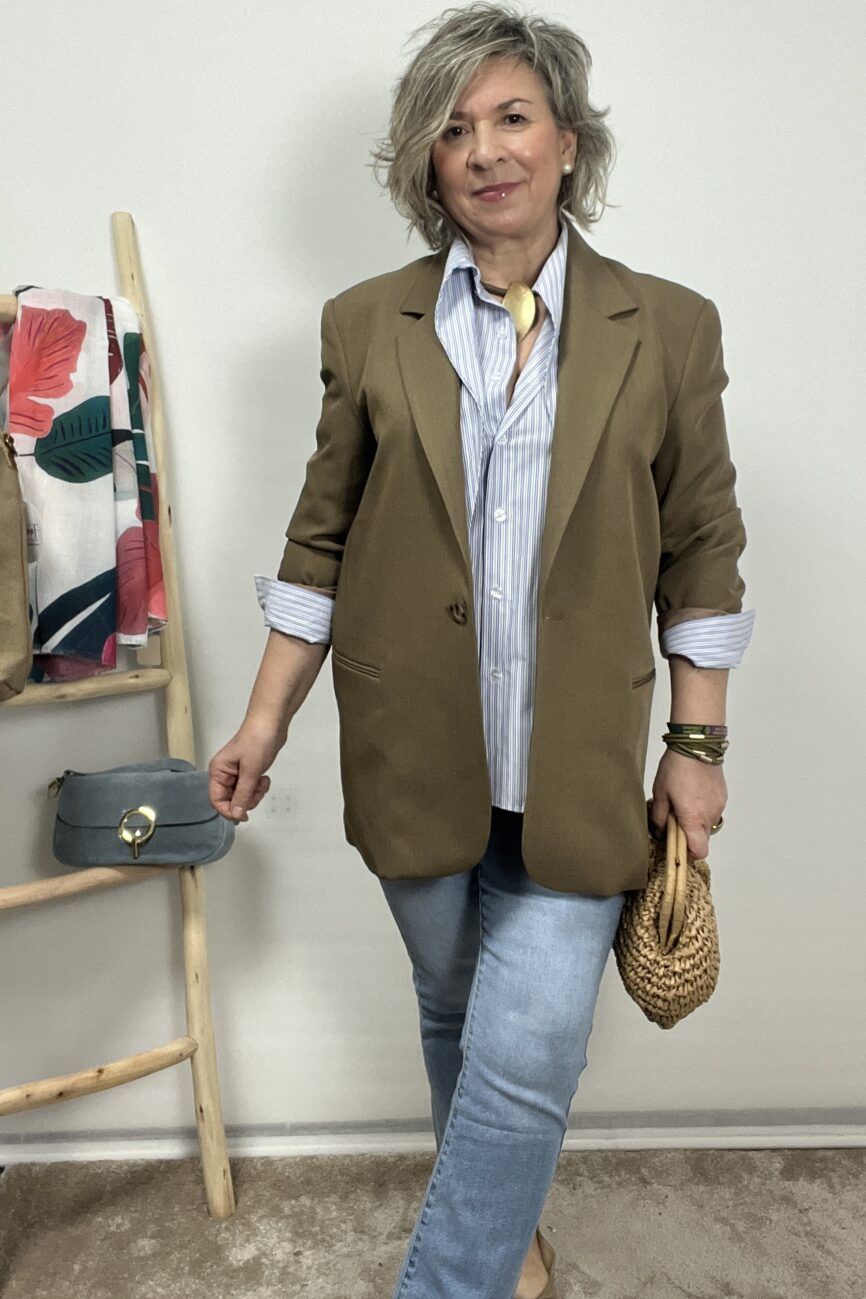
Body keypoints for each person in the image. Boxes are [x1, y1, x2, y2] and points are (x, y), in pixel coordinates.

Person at [208, 4, 755, 1295]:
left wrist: (697, 740)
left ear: (569, 141)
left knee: (527, 1051)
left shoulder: (669, 327)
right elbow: (320, 540)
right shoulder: (366, 324)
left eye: (513, 117)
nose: (485, 150)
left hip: (577, 763)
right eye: (453, 130)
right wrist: (261, 726)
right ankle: (514, 1246)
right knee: (456, 1013)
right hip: (412, 750)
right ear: (426, 161)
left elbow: (702, 548)